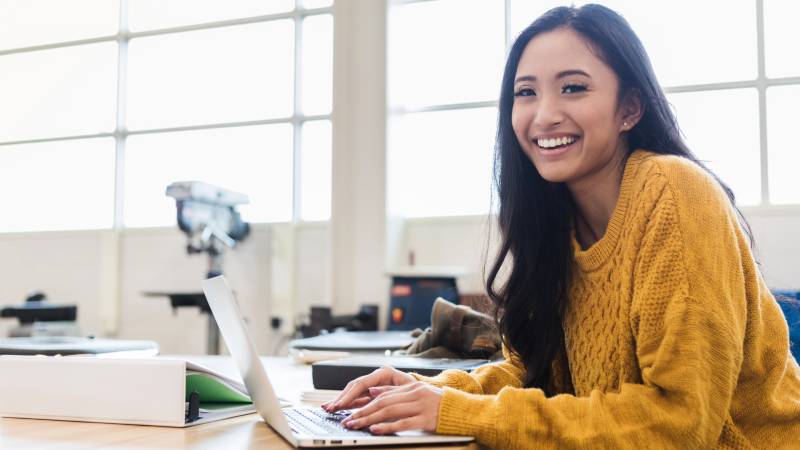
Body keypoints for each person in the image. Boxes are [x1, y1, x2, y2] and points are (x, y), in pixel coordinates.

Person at [323, 4, 800, 448]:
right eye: (526, 92)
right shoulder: (554, 221)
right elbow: (530, 375)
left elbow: (677, 421)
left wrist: (458, 412)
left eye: (573, 87)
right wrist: (429, 391)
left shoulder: (675, 193)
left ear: (629, 109)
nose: (545, 114)